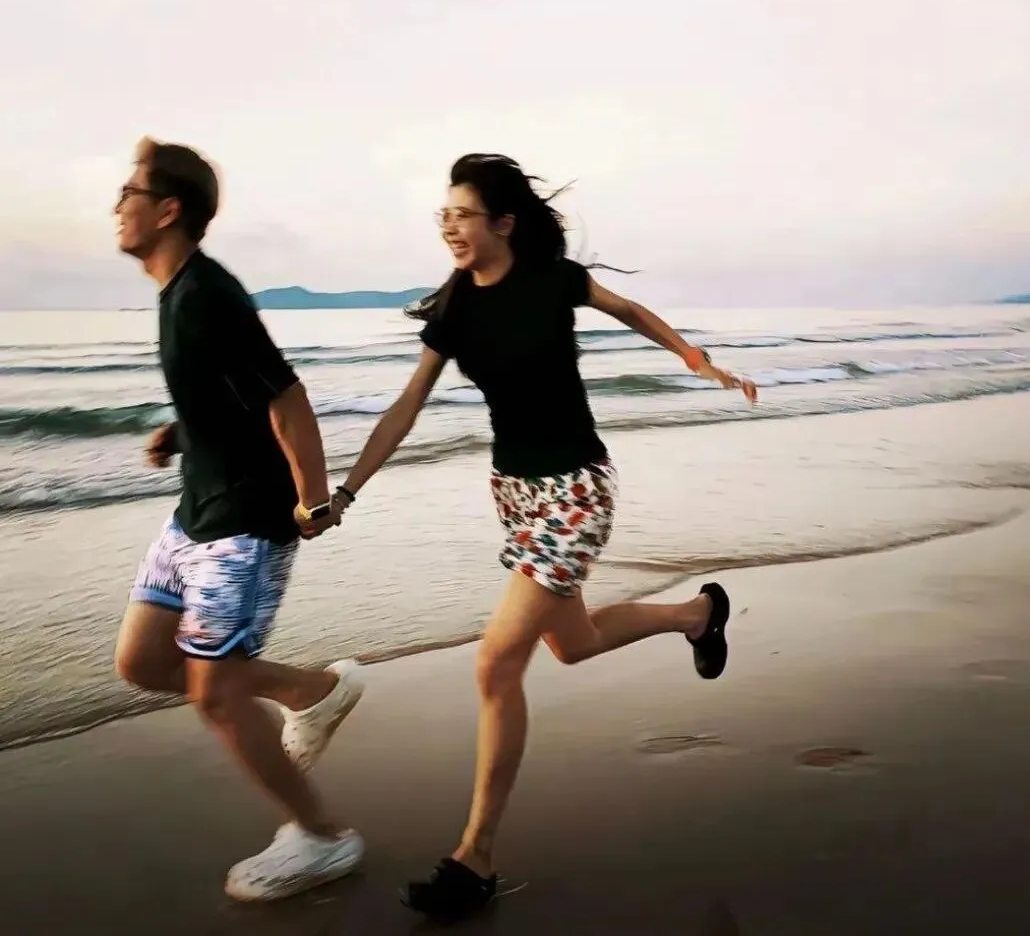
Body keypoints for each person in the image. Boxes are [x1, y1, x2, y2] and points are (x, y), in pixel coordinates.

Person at [332, 153, 759, 922]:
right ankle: (698, 614)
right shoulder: (454, 306)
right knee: (572, 643)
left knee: (497, 663)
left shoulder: (552, 280)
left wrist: (696, 358)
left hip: (576, 490)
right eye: (443, 215)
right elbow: (406, 406)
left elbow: (629, 310)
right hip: (516, 495)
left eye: (462, 214)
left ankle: (475, 859)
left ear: (503, 223)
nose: (449, 227)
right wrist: (345, 491)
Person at [112, 137, 366, 902]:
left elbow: (285, 396)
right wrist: (183, 430)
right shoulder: (177, 293)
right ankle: (311, 691)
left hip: (244, 522)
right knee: (142, 661)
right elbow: (230, 392)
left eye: (129, 193)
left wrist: (313, 499)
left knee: (215, 694)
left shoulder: (205, 294)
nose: (118, 207)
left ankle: (322, 838)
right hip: (195, 512)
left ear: (167, 210)